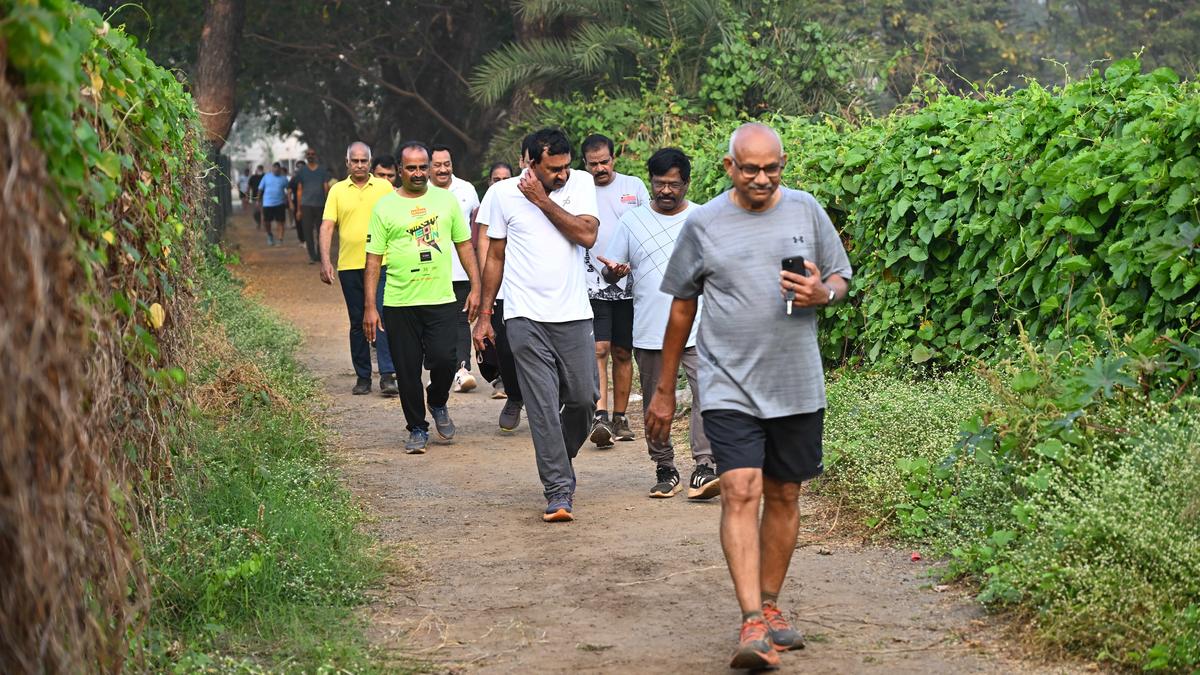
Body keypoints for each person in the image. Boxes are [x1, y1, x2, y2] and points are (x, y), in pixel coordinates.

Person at [645, 123, 852, 669]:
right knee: (741, 489)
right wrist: (664, 389)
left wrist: (822, 294)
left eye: (772, 168)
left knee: (784, 494)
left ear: (782, 164)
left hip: (796, 382)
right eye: (751, 168)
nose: (762, 178)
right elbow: (682, 309)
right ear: (729, 166)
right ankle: (751, 621)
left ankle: (772, 604)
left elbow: (839, 278)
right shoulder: (704, 223)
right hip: (726, 382)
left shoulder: (807, 210)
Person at [473, 128, 599, 522]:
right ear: (529, 161)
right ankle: (559, 489)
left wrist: (543, 200)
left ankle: (558, 454)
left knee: (583, 398)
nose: (562, 174)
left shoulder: (580, 183)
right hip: (524, 315)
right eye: (553, 168)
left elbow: (587, 234)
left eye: (565, 167)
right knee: (543, 406)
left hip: (574, 314)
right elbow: (495, 256)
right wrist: (485, 314)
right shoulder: (501, 194)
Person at [597, 148, 719, 500]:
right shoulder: (632, 221)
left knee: (707, 397)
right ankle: (665, 467)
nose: (666, 191)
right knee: (655, 403)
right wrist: (613, 270)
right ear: (650, 182)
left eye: (674, 185)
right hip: (651, 331)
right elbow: (611, 269)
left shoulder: (703, 219)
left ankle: (705, 467)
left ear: (687, 183)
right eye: (659, 184)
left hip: (700, 329)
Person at [363, 142, 480, 454]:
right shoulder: (385, 206)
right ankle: (417, 427)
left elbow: (465, 245)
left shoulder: (446, 201)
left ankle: (438, 400)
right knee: (407, 370)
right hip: (400, 302)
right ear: (400, 170)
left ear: (429, 168)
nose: (417, 173)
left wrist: (476, 287)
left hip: (441, 299)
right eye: (410, 168)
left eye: (422, 167)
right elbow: (373, 259)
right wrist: (370, 307)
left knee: (445, 359)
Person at [579, 133, 649, 449]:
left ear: (613, 159)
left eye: (604, 162)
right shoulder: (579, 189)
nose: (600, 169)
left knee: (623, 351)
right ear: (585, 164)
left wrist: (631, 265)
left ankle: (620, 416)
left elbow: (648, 226)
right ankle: (600, 415)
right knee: (599, 349)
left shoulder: (633, 187)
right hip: (590, 282)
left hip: (631, 283)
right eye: (593, 164)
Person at [318, 142, 399, 397]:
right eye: (355, 161)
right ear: (347, 163)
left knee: (382, 316)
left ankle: (388, 375)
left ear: (370, 162)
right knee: (357, 321)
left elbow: (397, 220)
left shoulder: (384, 188)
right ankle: (363, 376)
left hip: (382, 263)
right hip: (350, 265)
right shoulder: (337, 191)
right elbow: (327, 226)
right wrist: (325, 260)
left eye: (364, 161)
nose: (360, 165)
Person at [475, 161, 526, 429]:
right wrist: (486, 286)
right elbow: (485, 238)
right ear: (523, 160)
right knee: (505, 346)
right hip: (505, 286)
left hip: (544, 289)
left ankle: (553, 404)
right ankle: (514, 398)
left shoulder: (562, 192)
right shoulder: (500, 192)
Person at [429, 144, 482, 394]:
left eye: (446, 164)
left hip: (462, 270)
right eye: (437, 165)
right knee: (435, 324)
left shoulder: (467, 190)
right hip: (430, 272)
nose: (442, 169)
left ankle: (462, 370)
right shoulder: (421, 192)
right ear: (429, 167)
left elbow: (477, 228)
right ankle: (437, 372)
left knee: (462, 320)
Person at [295, 148, 334, 263]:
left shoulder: (322, 170)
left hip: (320, 205)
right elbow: (299, 190)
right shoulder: (302, 171)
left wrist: (328, 203)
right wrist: (298, 209)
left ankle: (320, 254)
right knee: (307, 231)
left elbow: (326, 186)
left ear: (316, 156)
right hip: (306, 205)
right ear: (306, 156)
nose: (310, 156)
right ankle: (312, 256)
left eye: (312, 154)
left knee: (321, 230)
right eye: (308, 154)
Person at [257, 162, 289, 245]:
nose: (276, 170)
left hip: (280, 203)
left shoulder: (283, 179)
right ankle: (269, 234)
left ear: (280, 170)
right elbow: (260, 189)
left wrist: (288, 199)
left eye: (278, 169)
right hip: (268, 203)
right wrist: (258, 200)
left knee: (281, 222)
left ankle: (280, 239)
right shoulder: (266, 177)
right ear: (272, 169)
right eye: (275, 168)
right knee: (267, 222)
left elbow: (288, 189)